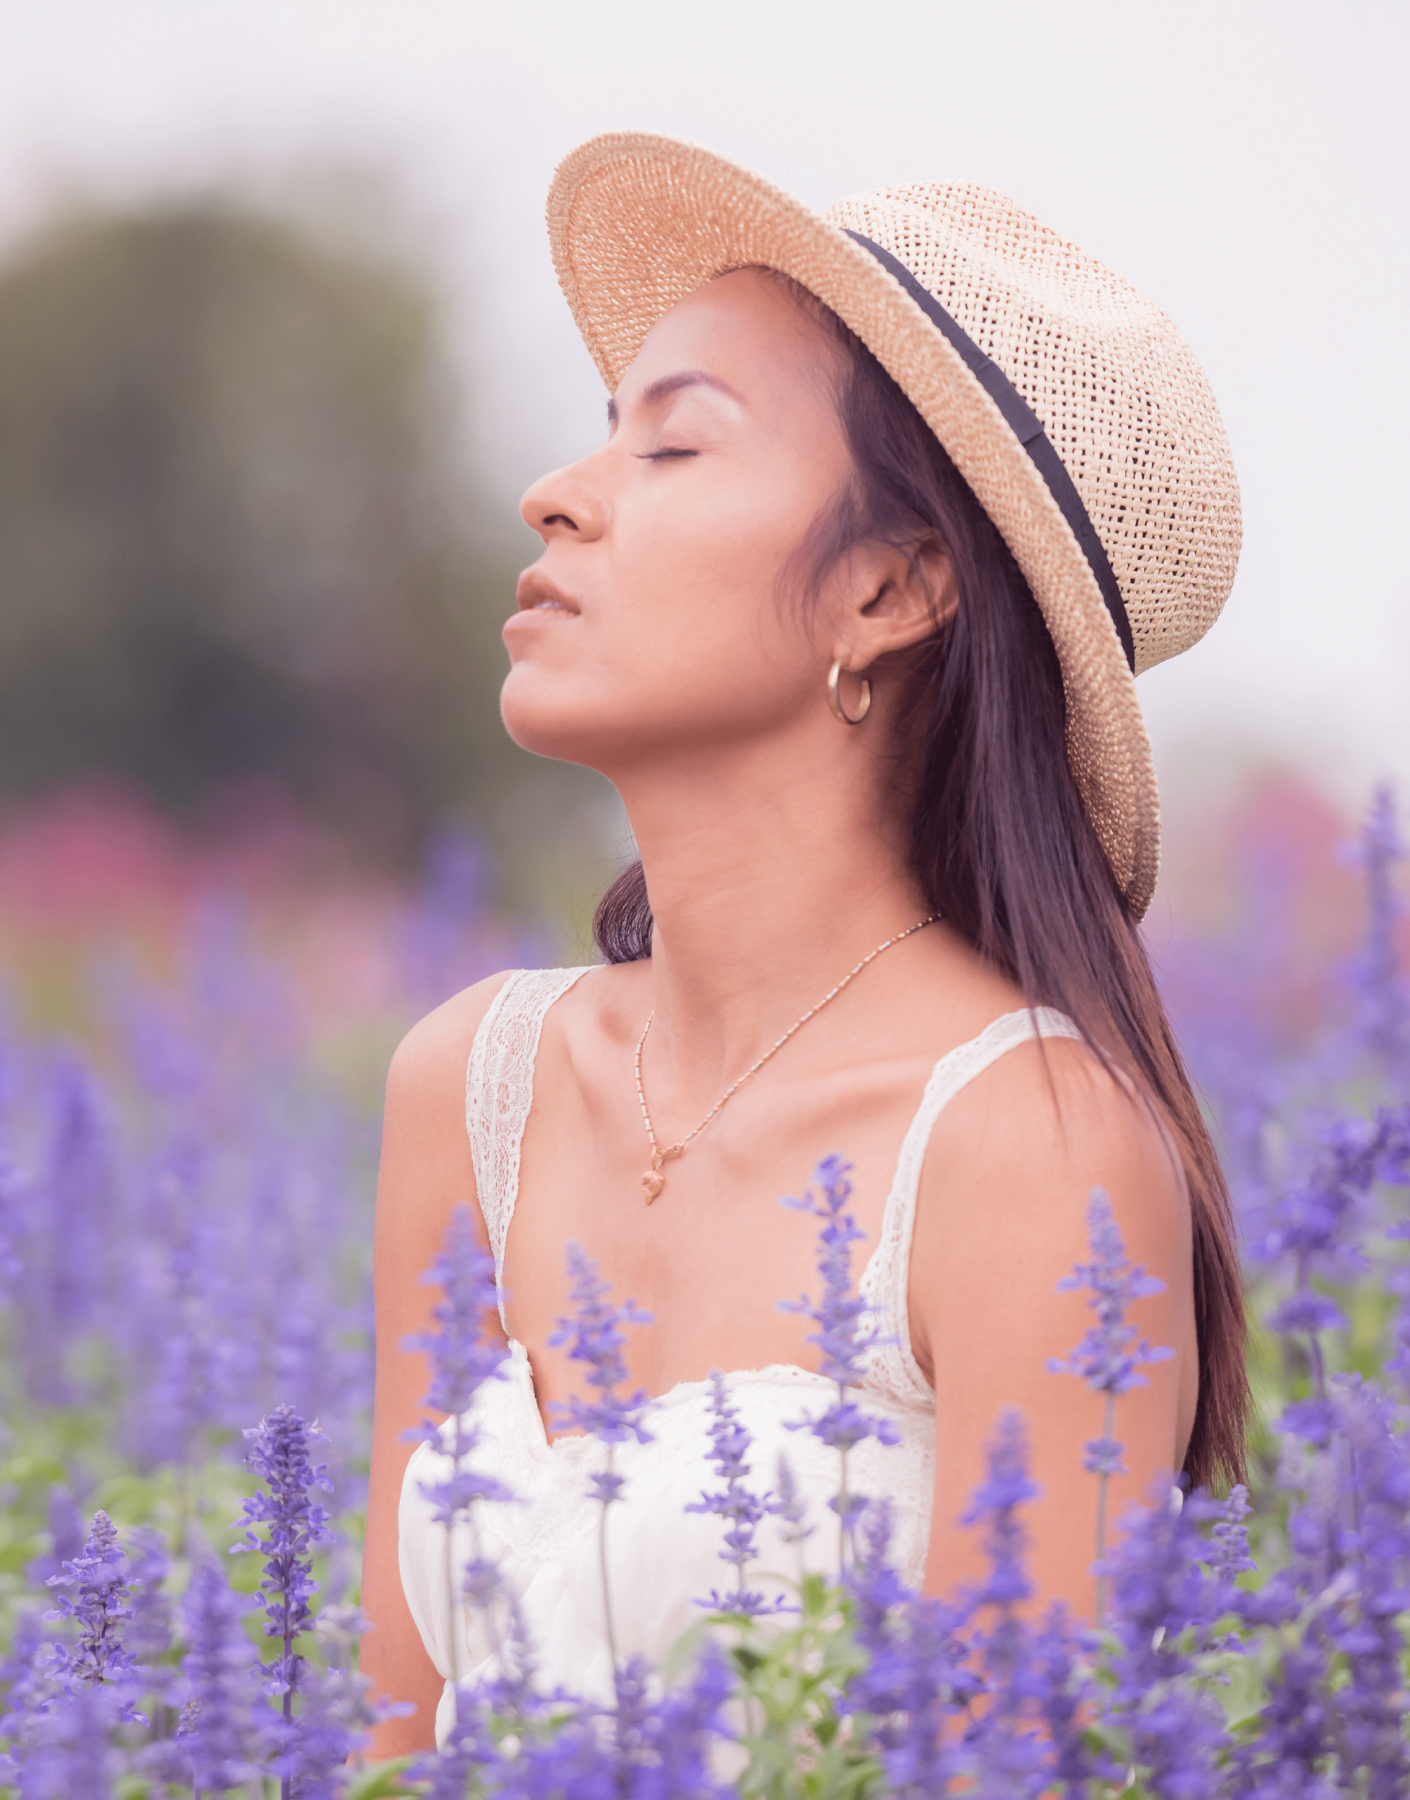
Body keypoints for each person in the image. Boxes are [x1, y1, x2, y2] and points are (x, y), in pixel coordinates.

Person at [361, 134, 1248, 1752]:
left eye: (677, 447)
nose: (557, 493)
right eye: (602, 435)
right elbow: (381, 1748)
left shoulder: (1028, 1147)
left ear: (889, 592)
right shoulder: (471, 1087)